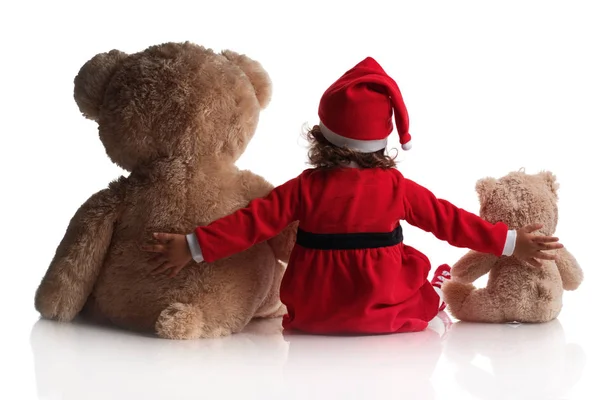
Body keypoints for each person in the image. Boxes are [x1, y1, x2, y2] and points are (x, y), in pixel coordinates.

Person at [142, 57, 563, 335]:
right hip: (380, 304)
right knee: (417, 274)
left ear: (323, 136)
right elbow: (450, 221)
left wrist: (193, 246)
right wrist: (511, 242)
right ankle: (434, 300)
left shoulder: (304, 187)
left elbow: (251, 222)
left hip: (313, 311)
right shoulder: (397, 188)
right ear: (382, 144)